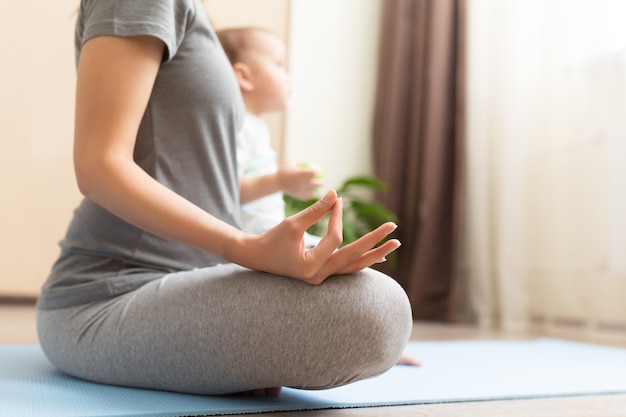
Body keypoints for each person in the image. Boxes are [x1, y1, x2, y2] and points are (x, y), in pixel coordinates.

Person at [36, 0, 413, 397]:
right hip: (104, 297)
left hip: (190, 280)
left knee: (375, 305)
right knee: (374, 311)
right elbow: (100, 166)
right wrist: (244, 248)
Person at [217, 27, 322, 247]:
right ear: (244, 77)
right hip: (253, 240)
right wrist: (279, 181)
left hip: (265, 235)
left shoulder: (254, 127)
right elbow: (226, 191)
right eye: (279, 64)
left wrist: (286, 183)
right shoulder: (239, 126)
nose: (287, 75)